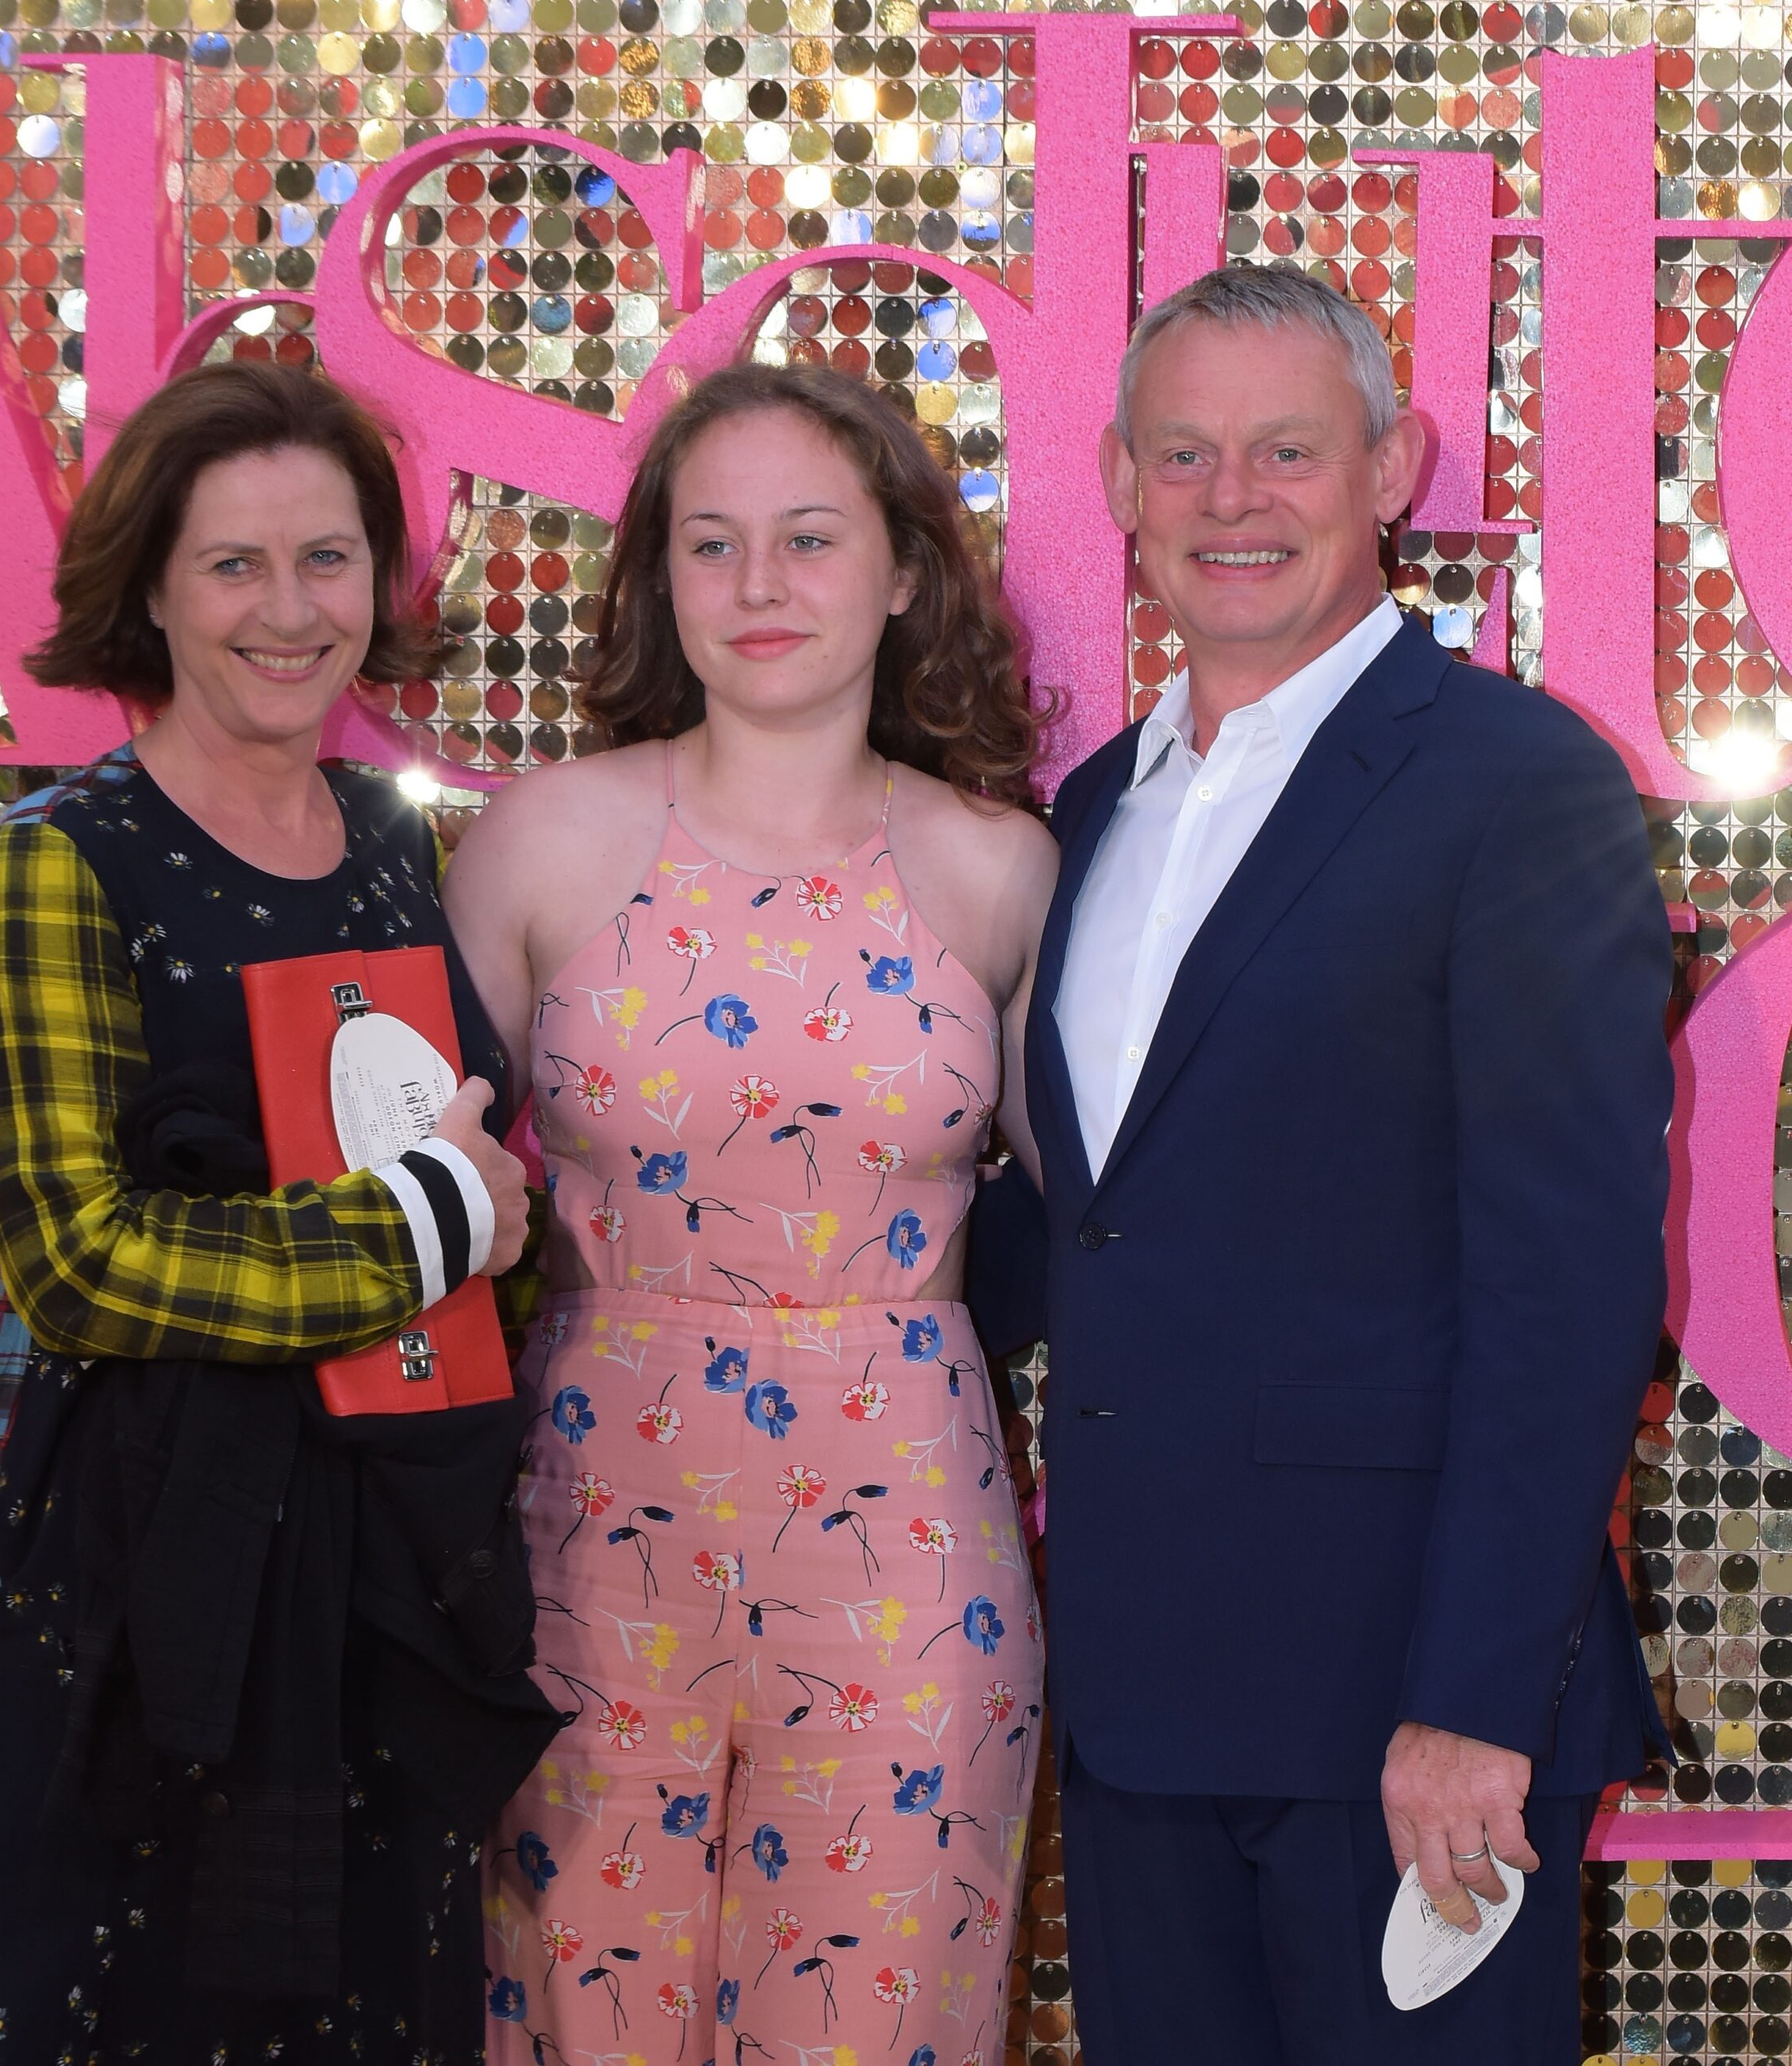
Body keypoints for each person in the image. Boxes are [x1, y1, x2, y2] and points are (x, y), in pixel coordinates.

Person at [983, 266, 1674, 2062]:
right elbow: (1097, 1225)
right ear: (1122, 485)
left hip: (1401, 1724)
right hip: (1139, 1708)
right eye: (1187, 454)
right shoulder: (1086, 815)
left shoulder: (1520, 785)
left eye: (1289, 449)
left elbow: (1569, 1285)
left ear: (1393, 466)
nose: (1235, 499)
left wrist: (1473, 1703)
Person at [0, 359, 557, 2065]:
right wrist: (422, 1230)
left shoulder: (394, 849)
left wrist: (499, 1238)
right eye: (234, 562)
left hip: (375, 1575)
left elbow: (452, 1181)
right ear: (153, 587)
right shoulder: (62, 856)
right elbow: (81, 1257)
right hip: (131, 1582)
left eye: (327, 559)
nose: (288, 608)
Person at [446, 362, 1056, 2066]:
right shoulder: (538, 845)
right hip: (586, 1544)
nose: (762, 586)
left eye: (808, 537)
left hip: (909, 1556)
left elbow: (1103, 1224)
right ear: (662, 579)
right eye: (713, 545)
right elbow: (415, 1209)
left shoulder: (999, 871)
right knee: (579, 2013)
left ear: (906, 570)